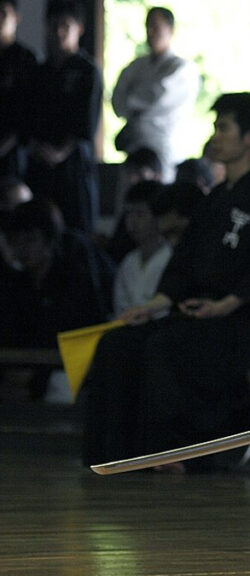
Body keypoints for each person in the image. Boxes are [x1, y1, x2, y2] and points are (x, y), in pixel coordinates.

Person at [80, 92, 250, 470]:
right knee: (116, 342)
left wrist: (228, 303)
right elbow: (184, 263)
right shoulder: (213, 200)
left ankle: (174, 453)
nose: (215, 136)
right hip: (199, 312)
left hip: (246, 320)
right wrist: (153, 304)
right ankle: (114, 455)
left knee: (166, 346)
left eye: (223, 127)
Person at [0, 199, 113, 399]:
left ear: (49, 240)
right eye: (17, 240)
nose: (23, 249)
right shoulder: (17, 283)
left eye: (31, 239)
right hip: (21, 368)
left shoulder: (73, 279)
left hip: (65, 367)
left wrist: (35, 378)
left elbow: (75, 332)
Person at [23, 0, 102, 234]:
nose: (58, 33)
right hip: (40, 164)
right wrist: (38, 147)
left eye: (65, 26)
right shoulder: (40, 72)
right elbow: (27, 117)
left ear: (79, 29)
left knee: (75, 230)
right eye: (53, 26)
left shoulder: (87, 71)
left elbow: (87, 124)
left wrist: (60, 152)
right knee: (39, 228)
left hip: (73, 164)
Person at [111, 6, 200, 181]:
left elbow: (159, 97)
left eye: (156, 27)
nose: (150, 32)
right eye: (148, 26)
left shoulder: (182, 69)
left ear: (170, 30)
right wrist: (139, 101)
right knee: (132, 198)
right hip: (135, 145)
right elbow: (118, 101)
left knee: (161, 198)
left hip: (164, 147)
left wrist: (134, 99)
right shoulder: (136, 66)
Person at [111, 180, 172, 316]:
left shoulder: (171, 260)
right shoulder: (129, 262)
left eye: (140, 214)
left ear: (158, 217)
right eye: (129, 214)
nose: (132, 221)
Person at [0, 0, 37, 181]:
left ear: (16, 18)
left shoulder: (25, 60)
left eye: (3, 14)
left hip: (14, 154)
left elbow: (30, 110)